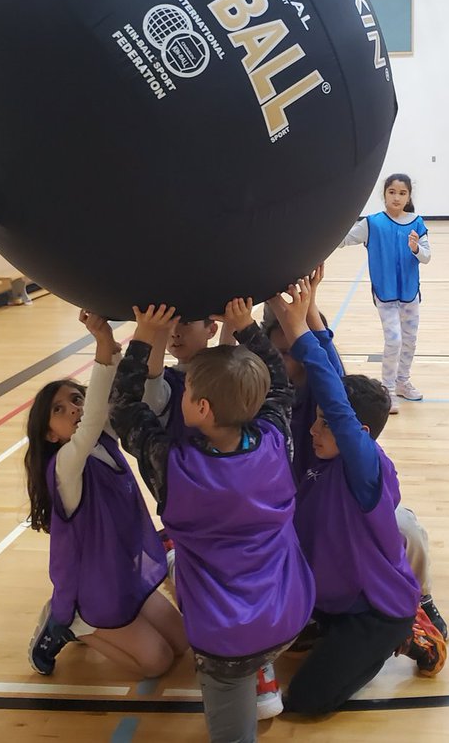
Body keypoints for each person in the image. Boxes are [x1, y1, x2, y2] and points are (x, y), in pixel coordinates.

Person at [109, 297, 315, 742]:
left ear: (202, 409)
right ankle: (263, 673)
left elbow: (123, 409)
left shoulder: (173, 466)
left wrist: (143, 335)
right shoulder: (276, 438)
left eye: (187, 392)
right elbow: (280, 387)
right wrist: (246, 327)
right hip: (288, 613)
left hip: (224, 637)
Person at [270, 280, 446, 717]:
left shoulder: (365, 467)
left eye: (327, 424)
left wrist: (299, 333)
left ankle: (410, 636)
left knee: (306, 702)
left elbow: (336, 398)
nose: (314, 429)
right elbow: (332, 378)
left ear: (358, 435)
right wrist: (307, 314)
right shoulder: (317, 447)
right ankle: (332, 625)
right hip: (331, 598)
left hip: (377, 610)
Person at [23, 309, 187, 678]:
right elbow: (96, 413)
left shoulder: (104, 441)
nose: (75, 410)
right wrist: (110, 343)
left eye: (76, 400)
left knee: (182, 642)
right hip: (95, 589)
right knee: (157, 663)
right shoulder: (65, 466)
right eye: (60, 410)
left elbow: (111, 401)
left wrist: (112, 347)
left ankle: (81, 620)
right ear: (50, 434)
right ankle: (67, 623)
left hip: (123, 573)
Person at [338, 173, 430, 413]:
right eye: (392, 192)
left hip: (410, 294)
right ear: (384, 194)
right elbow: (344, 239)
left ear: (409, 196)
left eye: (402, 193)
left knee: (409, 341)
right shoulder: (373, 223)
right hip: (386, 294)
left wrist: (415, 247)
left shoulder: (417, 223)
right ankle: (387, 389)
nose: (397, 197)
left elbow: (427, 256)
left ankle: (402, 382)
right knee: (394, 340)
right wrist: (328, 225)